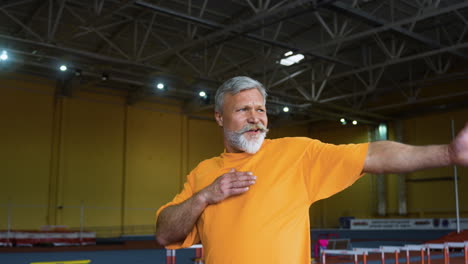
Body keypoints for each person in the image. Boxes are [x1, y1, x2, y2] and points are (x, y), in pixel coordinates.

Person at [155, 76, 468, 264]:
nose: (256, 118)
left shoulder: (296, 153)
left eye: (261, 109)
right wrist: (205, 196)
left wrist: (448, 152)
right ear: (219, 118)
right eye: (242, 109)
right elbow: (164, 232)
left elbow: (372, 155)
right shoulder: (203, 173)